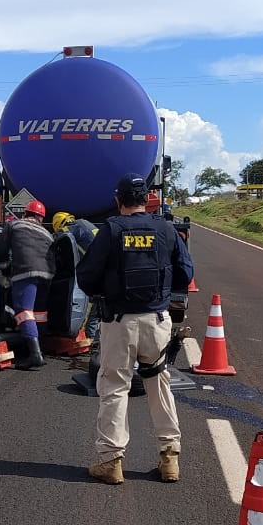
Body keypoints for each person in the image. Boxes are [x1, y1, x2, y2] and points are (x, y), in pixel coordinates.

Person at [76, 173, 193, 485]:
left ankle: (111, 461)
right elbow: (185, 272)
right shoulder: (166, 229)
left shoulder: (111, 230)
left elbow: (86, 275)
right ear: (147, 200)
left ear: (118, 200)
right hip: (157, 320)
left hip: (119, 322)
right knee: (159, 384)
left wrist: (103, 292)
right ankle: (170, 457)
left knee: (115, 386)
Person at [0, 198, 53, 370]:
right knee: (39, 313)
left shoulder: (14, 225)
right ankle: (40, 348)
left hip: (25, 272)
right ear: (40, 217)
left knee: (24, 311)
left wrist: (4, 266)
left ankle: (35, 355)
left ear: (25, 213)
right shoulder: (47, 233)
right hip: (47, 274)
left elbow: (1, 247)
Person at [52, 210, 101, 343]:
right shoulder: (87, 224)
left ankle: (86, 336)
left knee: (89, 303)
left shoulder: (75, 226)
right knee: (98, 305)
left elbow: (61, 235)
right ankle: (94, 338)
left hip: (96, 270)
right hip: (105, 269)